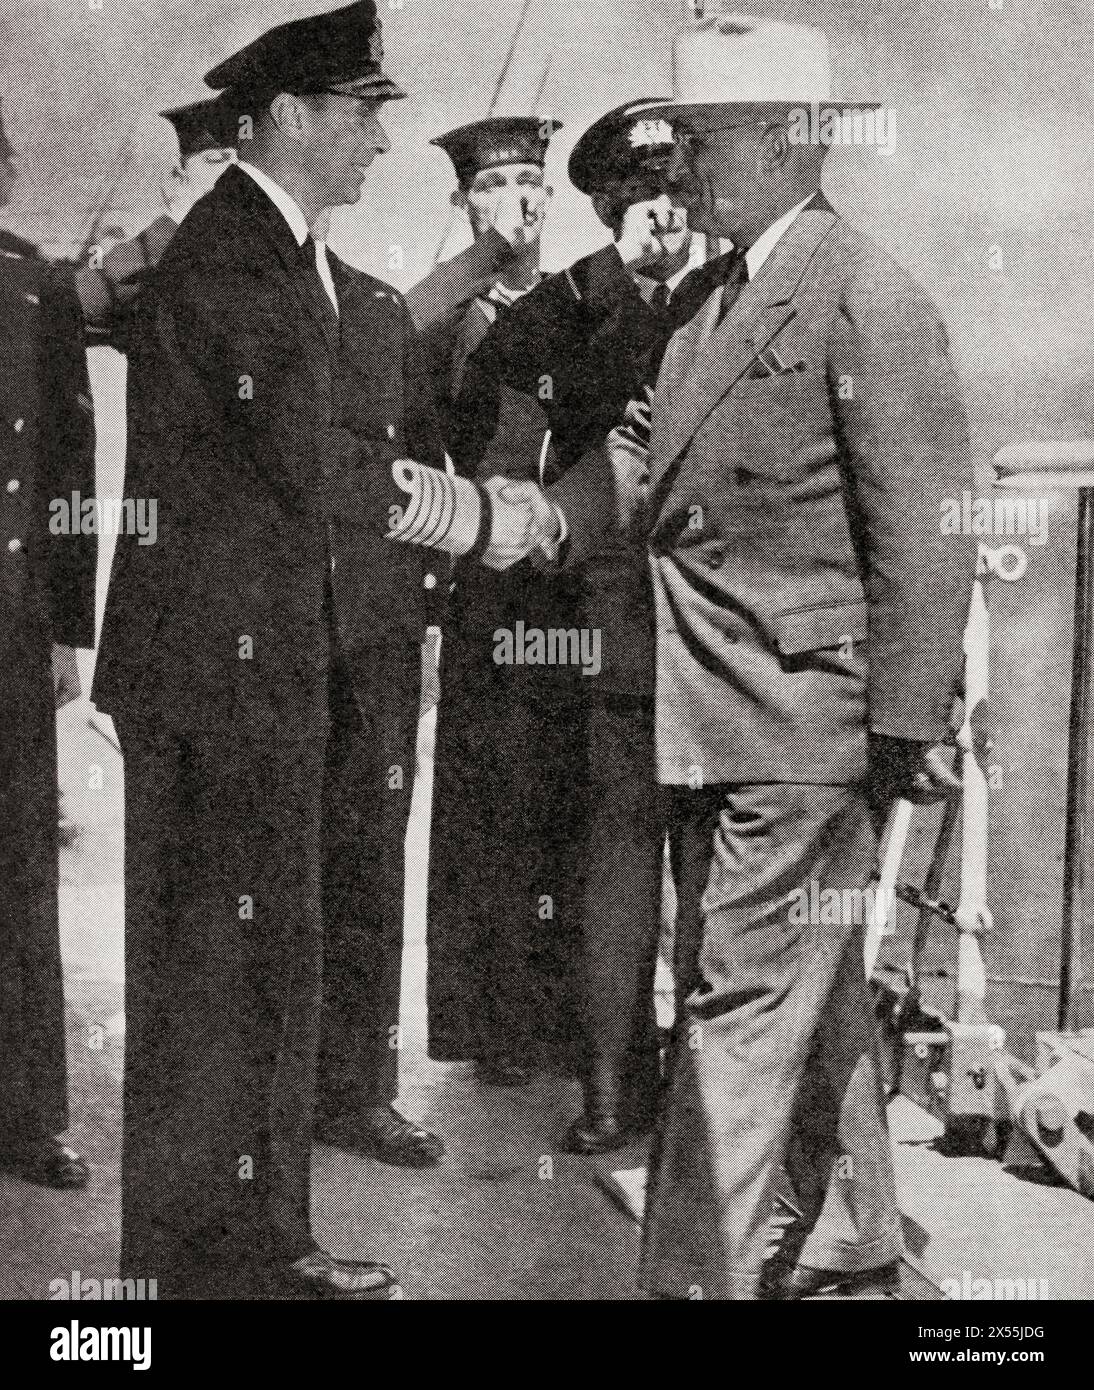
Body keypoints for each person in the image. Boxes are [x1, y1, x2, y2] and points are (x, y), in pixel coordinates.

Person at [92, 0, 539, 1300]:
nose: (373, 143)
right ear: (287, 115)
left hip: (240, 676)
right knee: (232, 977)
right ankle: (228, 1262)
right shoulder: (239, 258)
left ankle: (226, 1255)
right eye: (358, 115)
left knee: (240, 976)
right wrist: (485, 516)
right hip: (223, 687)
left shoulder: (279, 257)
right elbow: (323, 460)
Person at [532, 14, 976, 1298]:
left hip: (805, 728)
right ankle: (854, 1230)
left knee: (728, 1017)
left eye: (702, 142)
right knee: (805, 992)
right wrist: (514, 518)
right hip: (712, 712)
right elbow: (633, 454)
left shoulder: (864, 293)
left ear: (788, 139)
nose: (677, 170)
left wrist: (899, 727)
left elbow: (925, 531)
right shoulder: (706, 303)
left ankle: (686, 1282)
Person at [452, 99, 747, 1152]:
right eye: (637, 200)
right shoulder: (556, 316)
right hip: (599, 626)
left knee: (708, 874)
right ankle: (611, 1087)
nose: (660, 218)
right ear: (607, 206)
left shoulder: (732, 295)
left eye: (673, 197)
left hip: (713, 637)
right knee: (614, 866)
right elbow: (503, 468)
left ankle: (699, 1091)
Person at [423, 117, 590, 1087]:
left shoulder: (576, 310)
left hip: (566, 591)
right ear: (465, 204)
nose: (522, 199)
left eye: (533, 180)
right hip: (488, 589)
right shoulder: (448, 319)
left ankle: (566, 1015)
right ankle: (491, 1022)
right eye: (498, 186)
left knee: (562, 797)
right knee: (489, 809)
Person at [308, 207, 445, 1169]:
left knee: (367, 871)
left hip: (377, 643)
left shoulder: (377, 309)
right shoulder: (212, 299)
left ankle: (358, 1093)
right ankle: (257, 1099)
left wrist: (425, 621)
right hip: (260, 644)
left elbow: (423, 465)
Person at [0, 98, 97, 1191]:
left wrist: (68, 627)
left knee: (18, 867)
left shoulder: (35, 289)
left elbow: (71, 471)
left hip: (11, 624)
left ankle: (23, 1114)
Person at [74, 96, 237, 351]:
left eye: (242, 164)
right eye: (217, 159)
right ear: (176, 180)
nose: (233, 173)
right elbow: (72, 303)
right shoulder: (140, 257)